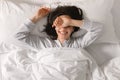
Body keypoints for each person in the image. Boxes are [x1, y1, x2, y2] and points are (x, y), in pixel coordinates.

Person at [15, 6, 103, 49]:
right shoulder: (44, 44)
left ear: (73, 28)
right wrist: (36, 17)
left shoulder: (78, 44)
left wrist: (70, 21)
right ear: (54, 27)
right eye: (60, 25)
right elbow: (19, 35)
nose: (63, 28)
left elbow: (98, 28)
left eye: (67, 26)